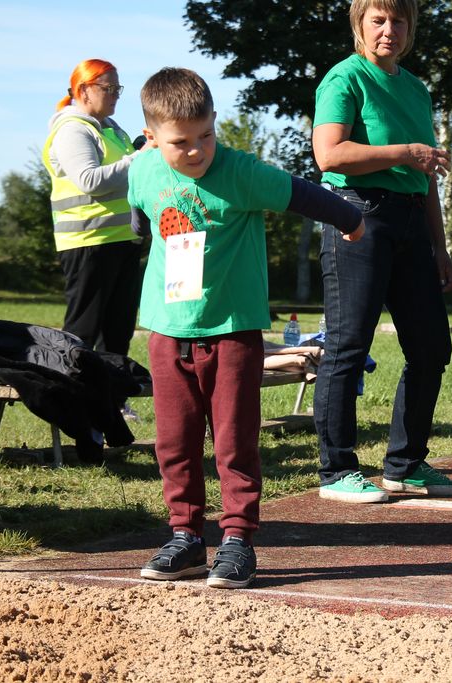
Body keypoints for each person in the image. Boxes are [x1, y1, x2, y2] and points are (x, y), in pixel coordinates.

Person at [129, 68, 364, 589]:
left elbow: (302, 194)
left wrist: (349, 219)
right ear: (151, 138)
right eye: (180, 142)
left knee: (234, 441)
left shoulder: (240, 172)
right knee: (174, 441)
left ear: (215, 121)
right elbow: (140, 207)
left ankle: (237, 539)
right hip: (167, 330)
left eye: (206, 135)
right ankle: (185, 536)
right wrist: (139, 227)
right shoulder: (143, 168)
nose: (196, 150)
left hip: (232, 329)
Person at [311, 0, 452, 503]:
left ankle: (406, 464)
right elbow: (329, 154)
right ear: (359, 24)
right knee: (349, 345)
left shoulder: (416, 88)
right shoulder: (344, 78)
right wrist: (404, 152)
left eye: (398, 20)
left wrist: (439, 246)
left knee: (432, 347)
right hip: (357, 215)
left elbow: (428, 174)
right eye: (378, 19)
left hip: (412, 222)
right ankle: (337, 471)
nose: (388, 30)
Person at [42, 59, 143, 391]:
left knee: (118, 329)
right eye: (108, 88)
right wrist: (139, 158)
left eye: (118, 89)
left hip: (121, 240)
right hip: (89, 242)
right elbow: (90, 181)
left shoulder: (111, 128)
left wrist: (140, 152)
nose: (115, 95)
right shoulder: (73, 130)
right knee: (83, 331)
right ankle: (73, 396)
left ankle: (113, 399)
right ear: (84, 90)